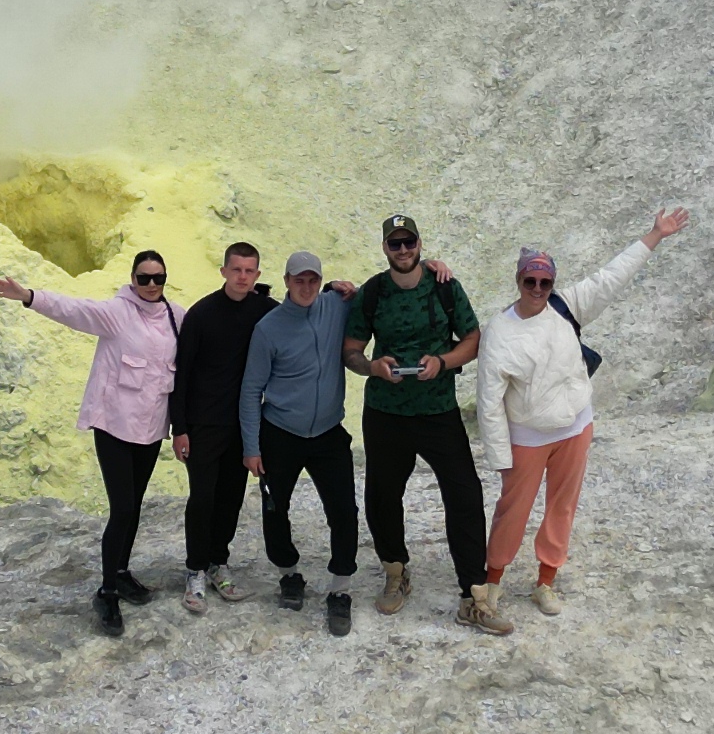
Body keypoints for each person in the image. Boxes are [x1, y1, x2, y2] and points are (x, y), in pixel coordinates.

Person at [474, 207, 692, 625]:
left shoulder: (565, 306)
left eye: (545, 282)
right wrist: (500, 457)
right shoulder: (499, 332)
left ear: (552, 283)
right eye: (530, 281)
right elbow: (489, 402)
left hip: (575, 427)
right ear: (518, 281)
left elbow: (611, 277)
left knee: (562, 506)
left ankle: (546, 580)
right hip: (528, 436)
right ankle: (494, 579)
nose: (538, 289)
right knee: (512, 510)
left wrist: (654, 236)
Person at [0, 247, 179, 629]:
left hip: (150, 428)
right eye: (144, 278)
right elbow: (72, 309)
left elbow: (209, 332)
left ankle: (121, 573)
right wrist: (28, 296)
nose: (151, 284)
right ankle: (107, 592)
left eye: (158, 278)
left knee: (134, 506)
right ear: (133, 280)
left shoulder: (176, 316)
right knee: (122, 509)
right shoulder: (116, 312)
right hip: (114, 425)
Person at [343, 211, 491, 628]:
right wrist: (372, 367)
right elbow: (351, 349)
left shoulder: (445, 286)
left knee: (465, 496)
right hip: (386, 412)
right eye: (396, 243)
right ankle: (395, 572)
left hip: (438, 409)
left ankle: (474, 592)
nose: (403, 249)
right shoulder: (373, 292)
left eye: (409, 242)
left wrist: (442, 362)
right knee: (382, 496)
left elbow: (473, 339)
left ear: (420, 244)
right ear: (385, 248)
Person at [237, 248, 360, 635]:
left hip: (328, 432)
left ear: (321, 282)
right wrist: (251, 447)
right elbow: (251, 390)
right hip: (280, 433)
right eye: (298, 280)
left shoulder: (336, 306)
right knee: (275, 509)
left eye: (313, 280)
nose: (306, 287)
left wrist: (429, 267)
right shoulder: (268, 328)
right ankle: (288, 573)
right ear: (286, 282)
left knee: (344, 510)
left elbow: (378, 293)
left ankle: (340, 588)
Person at [170, 241, 276, 614]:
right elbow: (181, 374)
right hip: (203, 423)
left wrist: (334, 291)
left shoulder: (265, 311)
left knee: (231, 496)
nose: (242, 277)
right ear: (224, 271)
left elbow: (302, 310)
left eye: (249, 271)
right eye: (236, 270)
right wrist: (179, 428)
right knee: (202, 497)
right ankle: (195, 570)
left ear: (257, 275)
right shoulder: (201, 314)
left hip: (244, 424)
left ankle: (218, 562)